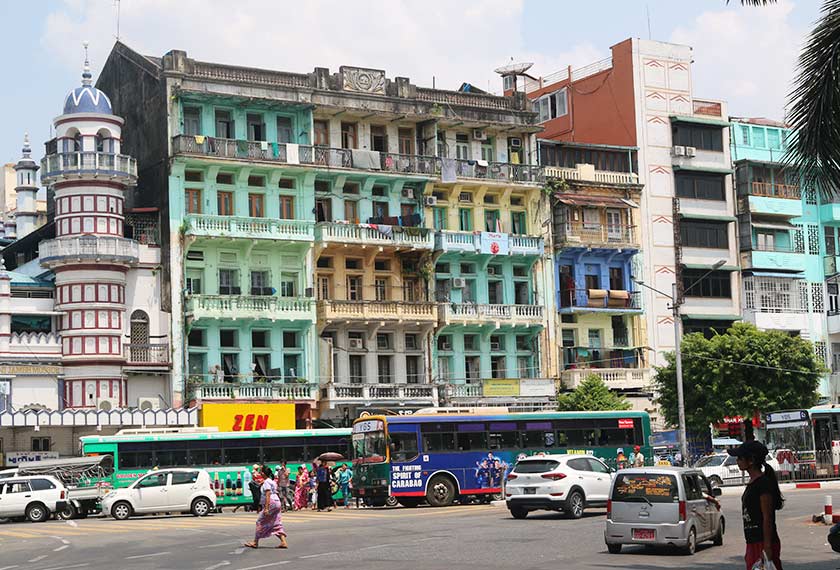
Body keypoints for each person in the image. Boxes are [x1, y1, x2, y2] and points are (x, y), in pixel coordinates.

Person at [728, 441, 784, 570]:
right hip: (753, 542)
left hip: (763, 543)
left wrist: (767, 547)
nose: (737, 461)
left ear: (751, 460)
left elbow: (767, 517)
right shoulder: (753, 483)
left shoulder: (763, 484)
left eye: (740, 458)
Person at [244, 465, 288, 550]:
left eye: (261, 472)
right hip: (277, 502)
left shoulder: (267, 482)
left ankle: (255, 542)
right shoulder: (271, 481)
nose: (259, 473)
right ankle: (283, 542)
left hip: (271, 502)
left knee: (259, 521)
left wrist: (267, 508)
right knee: (276, 522)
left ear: (263, 473)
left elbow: (268, 494)